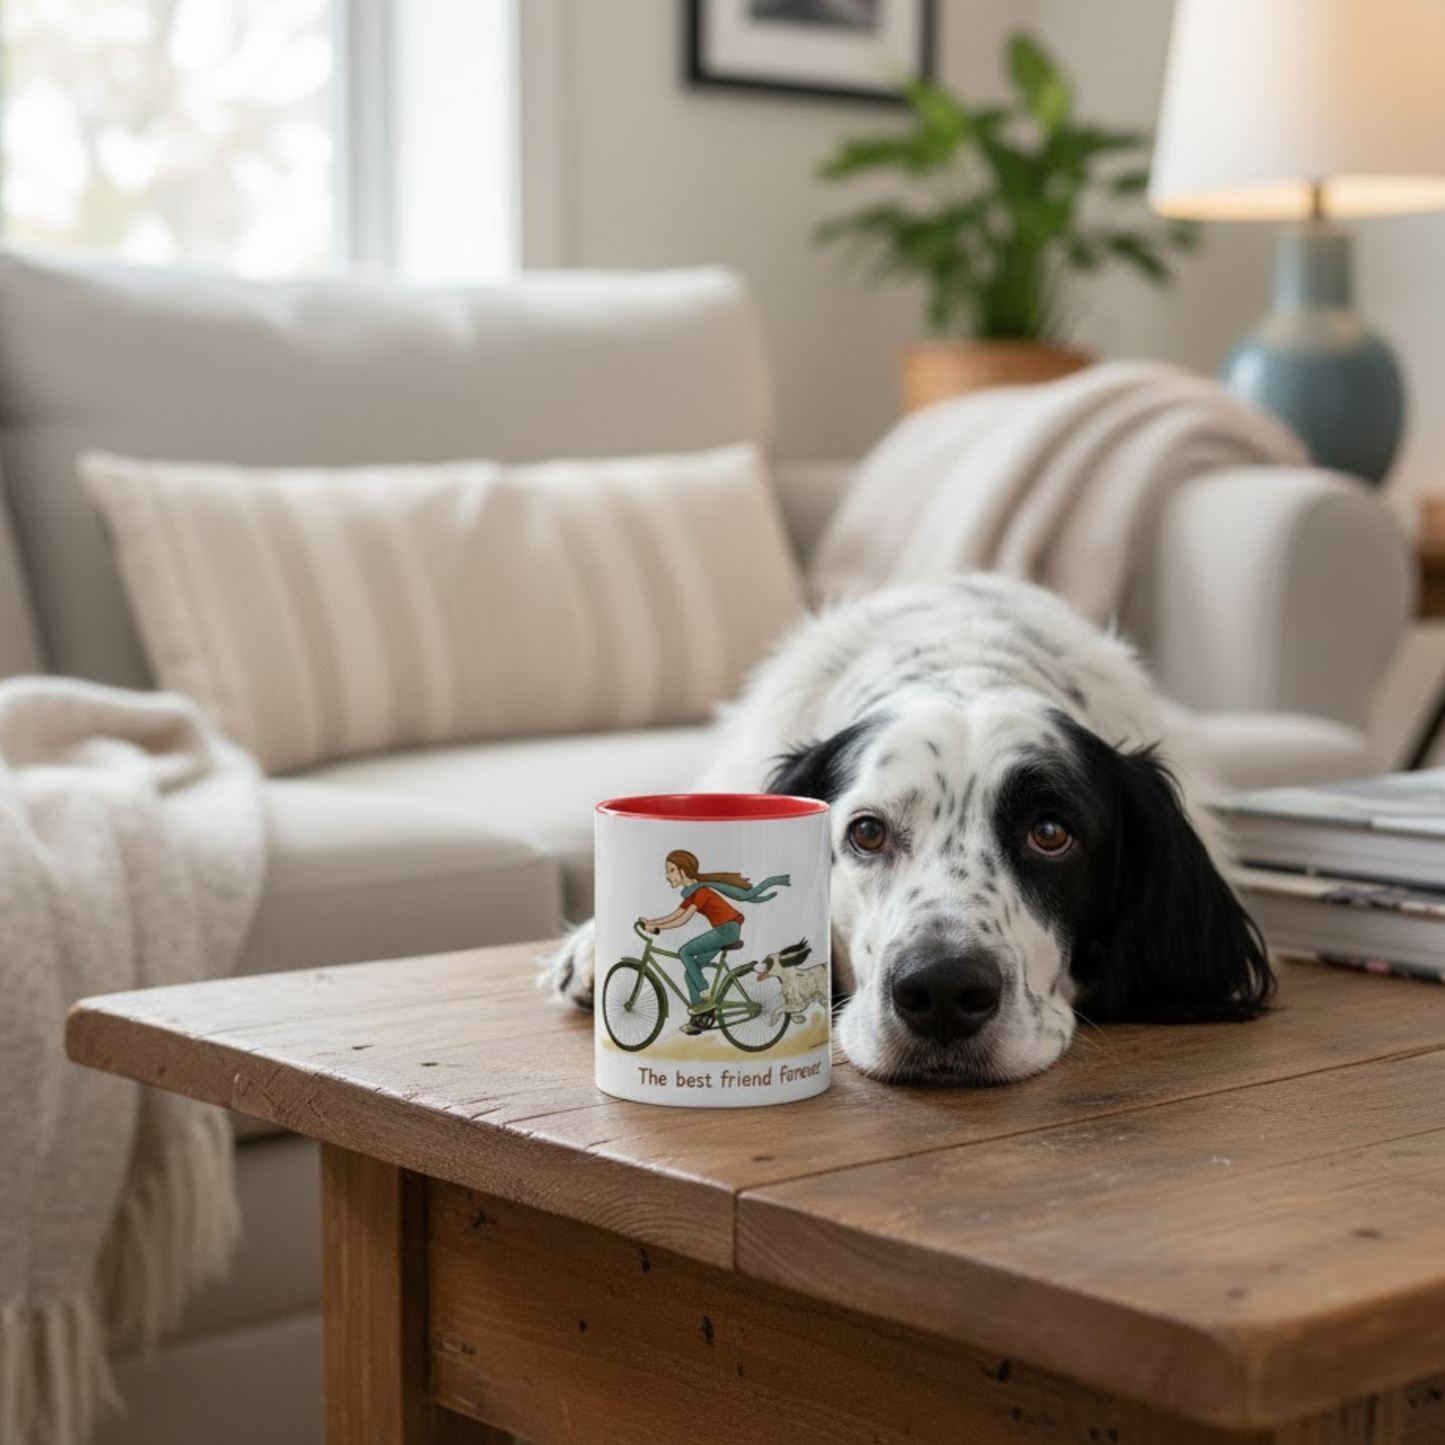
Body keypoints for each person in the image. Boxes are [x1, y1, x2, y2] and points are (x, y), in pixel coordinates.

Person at [640, 850, 790, 1031]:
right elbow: (675, 915)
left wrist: (657, 927)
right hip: (723, 931)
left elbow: (682, 919)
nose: (667, 875)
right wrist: (651, 923)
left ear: (683, 870)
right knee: (690, 973)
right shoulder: (692, 893)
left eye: (671, 870)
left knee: (684, 952)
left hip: (727, 930)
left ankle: (705, 992)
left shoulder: (700, 892)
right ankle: (700, 1018)